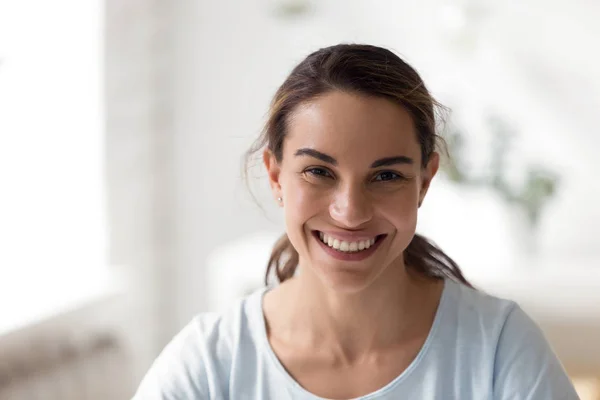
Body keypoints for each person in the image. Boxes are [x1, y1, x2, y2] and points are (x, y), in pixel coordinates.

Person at [132, 44, 579, 399]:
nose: (351, 212)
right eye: (319, 172)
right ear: (275, 176)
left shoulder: (499, 350)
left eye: (386, 176)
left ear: (424, 182)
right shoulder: (210, 366)